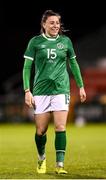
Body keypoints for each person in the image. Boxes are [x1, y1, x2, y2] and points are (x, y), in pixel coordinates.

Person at [23, 9, 86, 174]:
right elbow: (27, 67)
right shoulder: (35, 42)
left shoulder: (66, 42)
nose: (55, 25)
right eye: (51, 22)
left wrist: (81, 86)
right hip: (41, 91)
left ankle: (60, 165)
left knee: (60, 126)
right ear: (44, 24)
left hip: (60, 89)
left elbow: (73, 64)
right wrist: (27, 90)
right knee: (40, 130)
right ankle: (41, 157)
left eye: (57, 23)